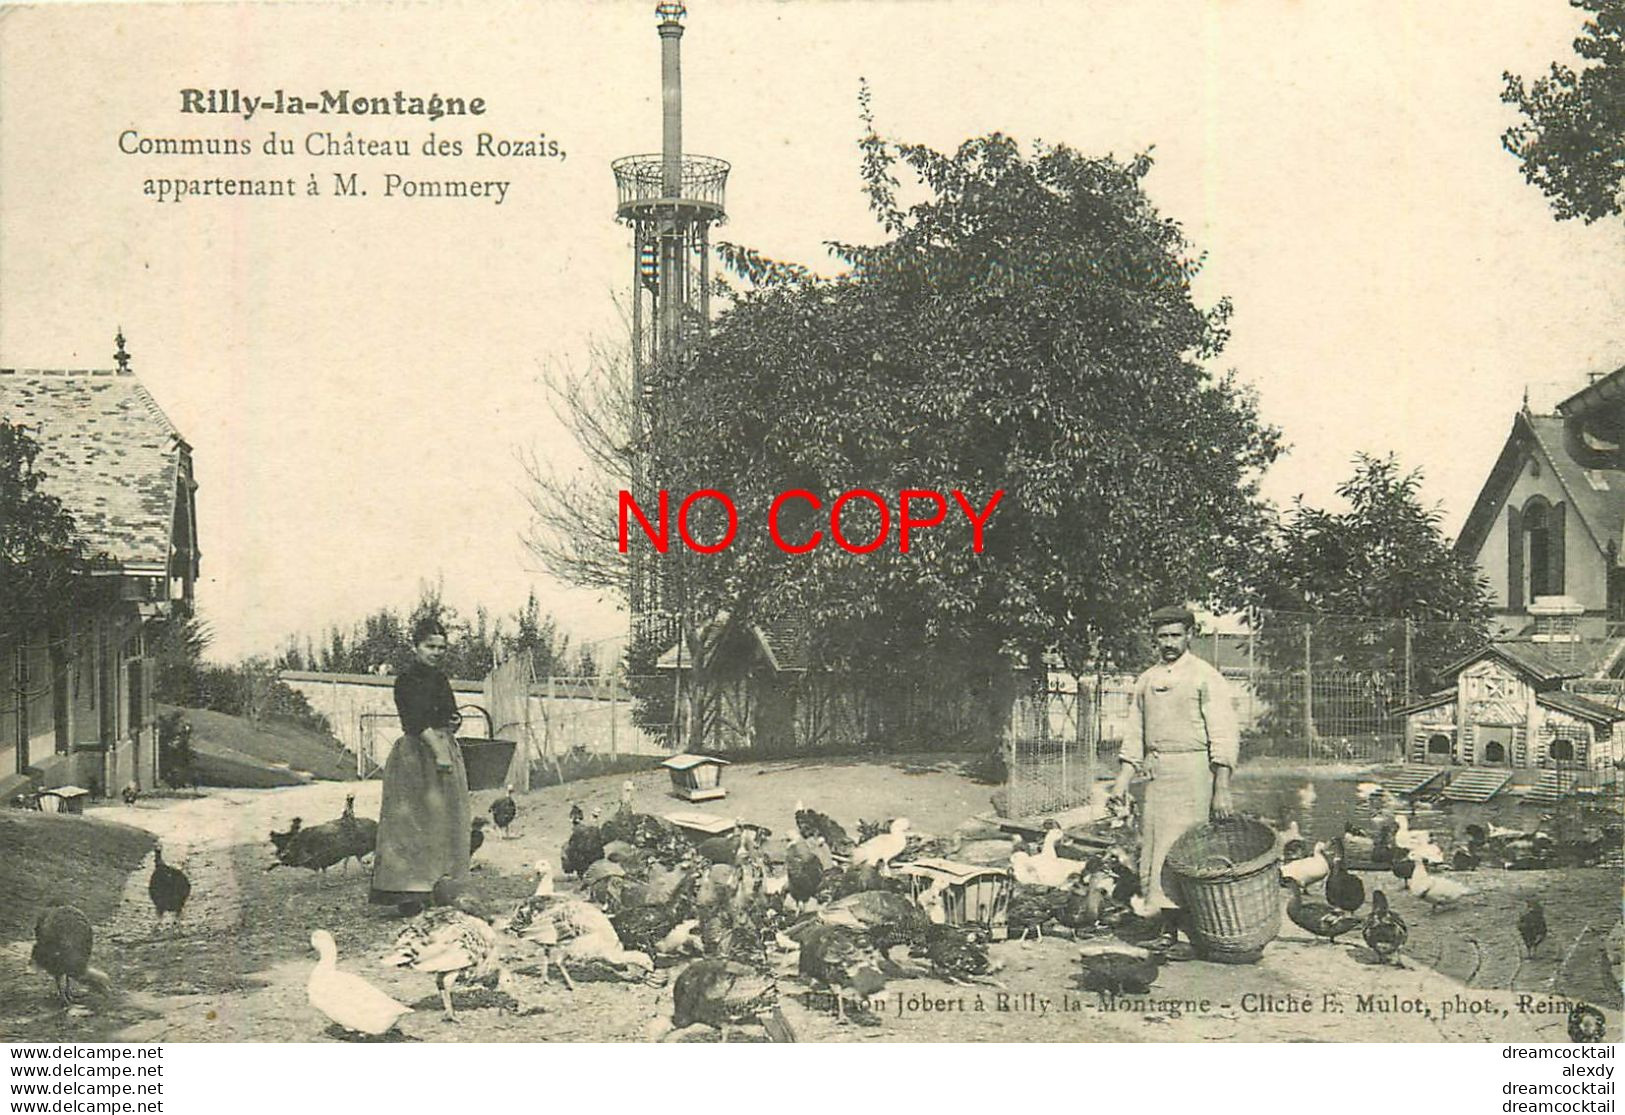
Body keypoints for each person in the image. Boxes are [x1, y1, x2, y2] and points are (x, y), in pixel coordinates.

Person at [1108, 604, 1239, 957]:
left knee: (1191, 852)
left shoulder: (1205, 676)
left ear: (1189, 636)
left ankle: (1200, 934)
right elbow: (1135, 733)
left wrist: (1221, 787)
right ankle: (1167, 931)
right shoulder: (1147, 680)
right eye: (1162, 636)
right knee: (1157, 851)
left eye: (1175, 635)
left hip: (1197, 773)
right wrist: (1122, 780)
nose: (1168, 642)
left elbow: (1224, 734)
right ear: (1155, 638)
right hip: (1159, 775)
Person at [368, 618, 473, 915]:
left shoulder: (439, 679)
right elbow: (415, 721)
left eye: (441, 647)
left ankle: (439, 885)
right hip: (418, 754)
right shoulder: (407, 680)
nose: (436, 652)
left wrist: (453, 722)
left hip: (443, 745)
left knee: (445, 820)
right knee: (413, 821)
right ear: (416, 647)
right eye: (430, 646)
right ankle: (410, 890)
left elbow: (449, 713)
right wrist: (439, 752)